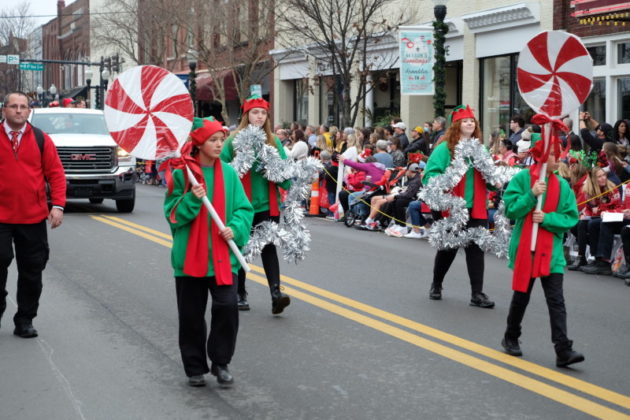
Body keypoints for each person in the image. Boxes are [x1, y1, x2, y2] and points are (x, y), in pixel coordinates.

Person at [164, 117, 254, 387]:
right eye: (213, 140)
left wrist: (234, 229)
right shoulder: (182, 175)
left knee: (227, 307)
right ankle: (194, 367)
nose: (218, 145)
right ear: (199, 143)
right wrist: (192, 197)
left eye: (221, 140)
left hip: (223, 258)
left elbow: (244, 209)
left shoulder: (228, 174)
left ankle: (221, 361)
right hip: (190, 258)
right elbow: (173, 216)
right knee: (191, 316)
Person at [501, 132, 584, 367]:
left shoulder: (562, 186)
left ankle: (563, 350)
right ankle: (510, 337)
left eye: (559, 155)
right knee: (521, 297)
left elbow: (571, 218)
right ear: (541, 156)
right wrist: (531, 195)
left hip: (552, 252)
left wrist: (546, 218)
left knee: (556, 301)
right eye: (554, 155)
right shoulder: (522, 179)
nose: (559, 159)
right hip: (527, 248)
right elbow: (511, 211)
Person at [0, 92, 66, 338]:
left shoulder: (41, 139)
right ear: (4, 110)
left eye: (23, 107)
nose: (19, 110)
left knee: (32, 271)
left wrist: (57, 205)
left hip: (33, 217)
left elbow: (56, 174)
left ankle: (25, 319)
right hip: (1, 218)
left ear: (29, 111)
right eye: (14, 106)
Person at [221, 96, 292, 314]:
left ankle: (275, 294)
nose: (259, 116)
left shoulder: (274, 142)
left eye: (263, 113)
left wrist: (271, 170)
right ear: (246, 115)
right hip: (241, 206)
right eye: (254, 112)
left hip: (267, 205)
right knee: (240, 247)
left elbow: (286, 178)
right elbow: (221, 170)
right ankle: (240, 293)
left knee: (269, 248)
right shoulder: (233, 140)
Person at [423, 105, 494, 308]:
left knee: (476, 249)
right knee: (448, 248)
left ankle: (477, 294)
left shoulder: (481, 150)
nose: (470, 123)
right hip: (452, 208)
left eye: (472, 121)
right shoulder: (445, 149)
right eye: (465, 121)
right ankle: (436, 284)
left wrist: (495, 179)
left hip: (476, 207)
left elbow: (489, 180)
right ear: (457, 125)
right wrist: (448, 178)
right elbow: (430, 175)